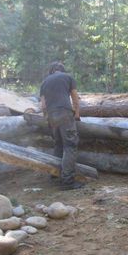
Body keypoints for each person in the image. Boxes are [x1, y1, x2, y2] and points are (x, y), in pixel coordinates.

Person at [40, 61, 83, 190]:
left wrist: (47, 118)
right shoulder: (68, 77)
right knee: (70, 146)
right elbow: (75, 98)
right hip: (65, 113)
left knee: (58, 144)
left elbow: (43, 105)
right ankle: (68, 181)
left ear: (51, 70)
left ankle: (55, 173)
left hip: (52, 116)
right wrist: (77, 115)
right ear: (62, 70)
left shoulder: (45, 82)